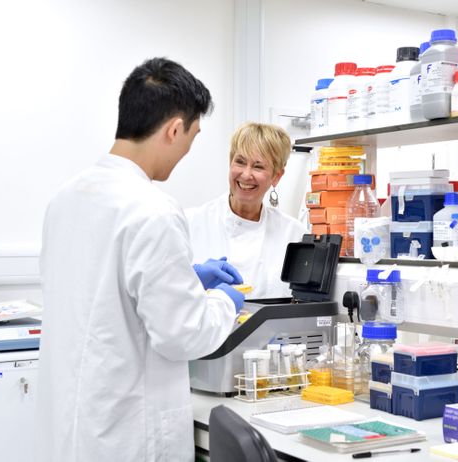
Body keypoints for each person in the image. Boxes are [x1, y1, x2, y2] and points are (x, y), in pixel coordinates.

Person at [37, 57, 246, 462]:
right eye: (193, 136)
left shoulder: (65, 198)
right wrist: (224, 303)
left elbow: (100, 289)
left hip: (73, 427)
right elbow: (182, 335)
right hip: (127, 434)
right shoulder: (153, 209)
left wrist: (186, 277)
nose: (187, 150)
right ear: (173, 129)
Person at [186, 122, 308, 299]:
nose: (245, 174)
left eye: (258, 166)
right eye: (240, 162)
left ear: (276, 176)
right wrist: (193, 280)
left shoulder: (294, 235)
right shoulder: (190, 222)